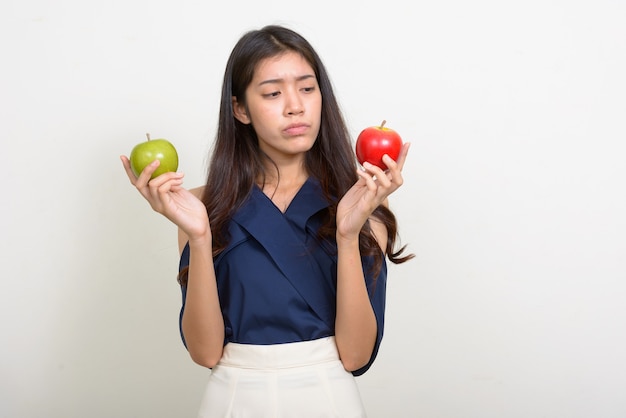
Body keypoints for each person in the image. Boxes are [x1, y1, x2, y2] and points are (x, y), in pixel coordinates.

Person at [121, 24, 413, 418]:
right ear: (240, 108)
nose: (295, 106)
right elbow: (205, 352)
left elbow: (356, 356)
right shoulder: (202, 206)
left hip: (329, 400)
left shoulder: (362, 208)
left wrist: (347, 235)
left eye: (307, 89)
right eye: (273, 93)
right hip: (232, 399)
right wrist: (199, 236)